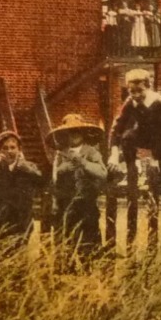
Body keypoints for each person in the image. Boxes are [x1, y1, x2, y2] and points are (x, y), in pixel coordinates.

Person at [109, 68, 161, 229]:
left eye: (139, 90)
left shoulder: (159, 103)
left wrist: (156, 158)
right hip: (146, 140)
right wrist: (114, 153)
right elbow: (117, 129)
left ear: (148, 86)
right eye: (131, 91)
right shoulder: (130, 102)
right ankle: (131, 170)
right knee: (127, 136)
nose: (135, 95)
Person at [50, 112, 108, 262]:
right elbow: (54, 176)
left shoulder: (91, 151)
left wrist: (84, 164)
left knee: (88, 236)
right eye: (70, 132)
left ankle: (89, 264)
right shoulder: (60, 153)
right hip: (66, 202)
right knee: (66, 235)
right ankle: (67, 265)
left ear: (83, 133)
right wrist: (65, 168)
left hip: (86, 202)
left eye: (77, 131)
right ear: (65, 135)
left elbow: (102, 173)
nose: (74, 135)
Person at [0, 130, 44, 241]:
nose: (9, 151)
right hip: (2, 222)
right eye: (5, 148)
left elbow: (41, 182)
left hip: (22, 220)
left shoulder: (29, 166)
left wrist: (27, 169)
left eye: (12, 147)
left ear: (19, 149)